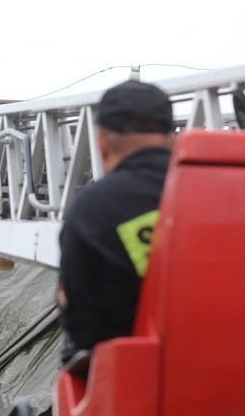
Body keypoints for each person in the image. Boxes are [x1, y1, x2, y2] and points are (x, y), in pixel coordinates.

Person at [57, 80, 174, 365]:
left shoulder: (92, 209)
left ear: (101, 142)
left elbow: (84, 329)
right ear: (173, 135)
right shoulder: (234, 195)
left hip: (139, 385)